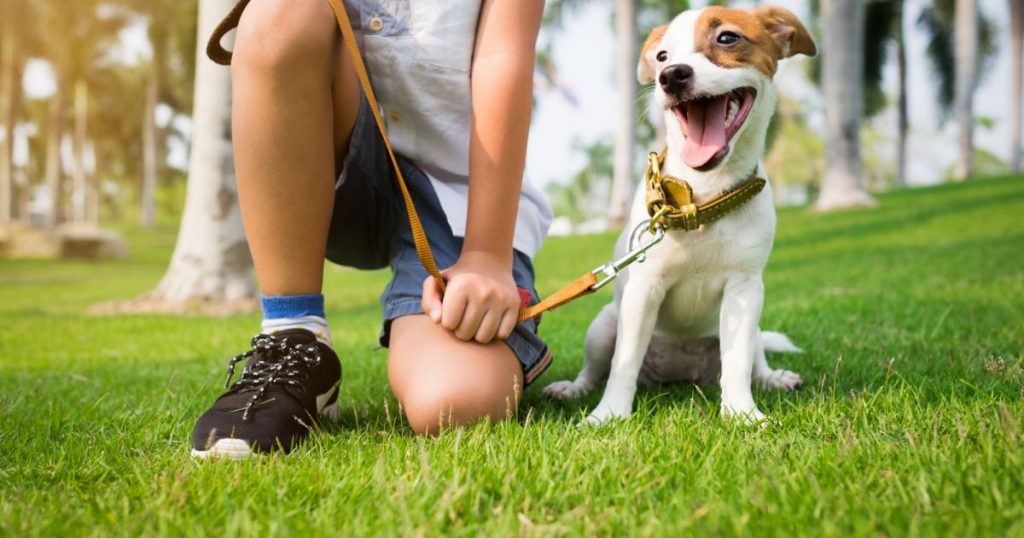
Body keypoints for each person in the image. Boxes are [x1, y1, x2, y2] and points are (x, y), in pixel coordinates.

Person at [190, 0, 553, 458]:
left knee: (456, 401)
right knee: (279, 11)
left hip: (458, 193)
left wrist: (487, 256)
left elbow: (504, 57)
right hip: (327, 166)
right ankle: (294, 335)